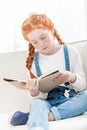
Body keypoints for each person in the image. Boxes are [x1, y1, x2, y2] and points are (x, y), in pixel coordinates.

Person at [10, 13, 87, 130]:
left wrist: (71, 77)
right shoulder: (32, 62)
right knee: (36, 104)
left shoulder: (71, 52)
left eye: (43, 37)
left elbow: (82, 86)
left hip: (68, 100)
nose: (41, 44)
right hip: (46, 102)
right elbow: (38, 98)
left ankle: (41, 117)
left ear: (51, 30)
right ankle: (37, 125)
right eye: (35, 42)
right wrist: (34, 92)